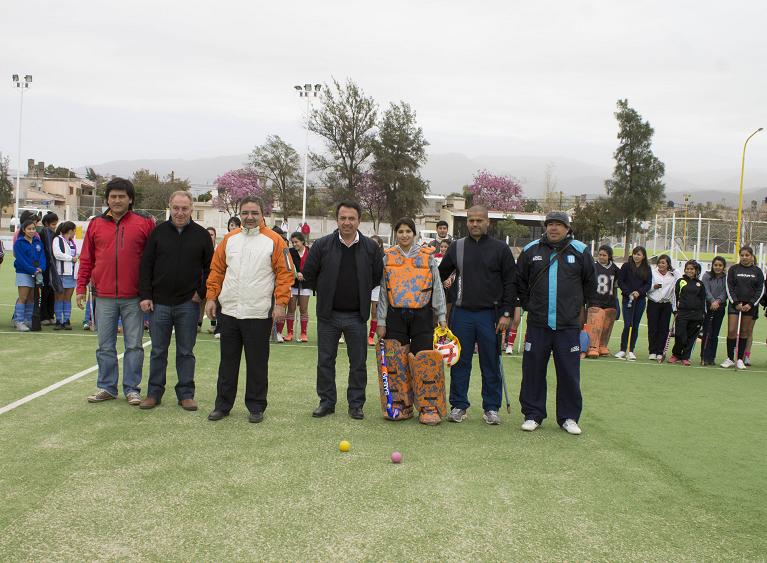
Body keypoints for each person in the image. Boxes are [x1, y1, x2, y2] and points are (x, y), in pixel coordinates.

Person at [204, 196, 294, 423]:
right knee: (228, 363)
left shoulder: (275, 240)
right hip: (229, 312)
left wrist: (281, 303)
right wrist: (211, 297)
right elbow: (217, 270)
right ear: (240, 214)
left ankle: (256, 406)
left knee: (257, 364)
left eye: (254, 213)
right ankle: (222, 406)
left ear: (263, 214)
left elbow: (285, 274)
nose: (249, 217)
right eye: (245, 213)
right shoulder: (229, 239)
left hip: (258, 313)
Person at [301, 201, 384, 420]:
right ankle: (326, 402)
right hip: (328, 316)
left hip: (357, 316)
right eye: (343, 218)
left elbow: (377, 276)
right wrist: (326, 290)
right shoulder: (322, 245)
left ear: (359, 220)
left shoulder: (370, 248)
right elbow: (309, 273)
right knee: (325, 362)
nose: (347, 222)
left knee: (358, 363)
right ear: (337, 220)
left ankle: (356, 405)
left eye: (351, 218)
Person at [516, 211, 596, 435]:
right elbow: (519, 281)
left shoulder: (580, 251)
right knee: (533, 371)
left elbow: (590, 283)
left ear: (567, 228)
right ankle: (533, 414)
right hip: (538, 324)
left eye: (558, 224)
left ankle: (569, 417)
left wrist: (581, 309)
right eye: (550, 224)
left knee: (569, 372)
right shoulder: (531, 250)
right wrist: (529, 305)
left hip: (568, 325)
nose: (553, 228)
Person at [77, 178, 155, 405]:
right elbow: (87, 258)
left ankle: (132, 389)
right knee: (105, 346)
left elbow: (152, 260)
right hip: (103, 296)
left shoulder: (144, 223)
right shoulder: (95, 224)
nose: (117, 200)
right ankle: (107, 387)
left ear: (130, 199)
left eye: (122, 196)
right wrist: (81, 287)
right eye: (113, 196)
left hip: (134, 297)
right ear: (107, 199)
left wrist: (149, 292)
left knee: (134, 346)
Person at [438, 205, 516, 425]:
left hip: (491, 315)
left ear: (488, 222)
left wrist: (506, 313)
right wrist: (446, 296)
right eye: (471, 220)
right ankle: (459, 405)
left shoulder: (501, 249)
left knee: (490, 362)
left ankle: (491, 408)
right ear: (467, 222)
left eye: (479, 220)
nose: (475, 224)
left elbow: (510, 283)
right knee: (460, 362)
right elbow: (440, 274)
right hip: (462, 313)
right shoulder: (457, 246)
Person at [138, 191, 214, 411]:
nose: (180, 213)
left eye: (185, 208)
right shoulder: (158, 232)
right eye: (176, 208)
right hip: (159, 303)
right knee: (158, 351)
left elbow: (210, 268)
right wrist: (146, 295)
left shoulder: (201, 235)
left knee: (186, 352)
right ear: (169, 207)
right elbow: (146, 266)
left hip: (188, 304)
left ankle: (186, 394)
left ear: (191, 209)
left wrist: (201, 292)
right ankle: (154, 393)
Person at [376, 218, 447, 425]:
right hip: (395, 315)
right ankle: (401, 404)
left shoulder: (427, 257)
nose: (404, 235)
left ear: (414, 234)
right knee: (396, 360)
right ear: (395, 234)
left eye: (408, 231)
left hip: (422, 314)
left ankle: (428, 406)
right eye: (400, 231)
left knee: (425, 360)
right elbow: (383, 292)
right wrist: (381, 320)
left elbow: (437, 287)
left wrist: (441, 315)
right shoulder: (387, 258)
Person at [722, 246, 764, 370]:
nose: (744, 257)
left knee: (745, 331)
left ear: (751, 256)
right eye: (742, 255)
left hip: (749, 306)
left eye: (747, 255)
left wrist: (750, 304)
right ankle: (730, 358)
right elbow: (729, 287)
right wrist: (735, 302)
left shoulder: (757, 271)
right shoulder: (733, 269)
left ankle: (740, 359)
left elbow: (760, 290)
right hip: (735, 304)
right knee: (731, 330)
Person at [615, 246, 652, 361]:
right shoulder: (626, 266)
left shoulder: (647, 268)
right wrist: (628, 293)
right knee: (627, 324)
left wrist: (639, 292)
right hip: (627, 299)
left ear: (643, 256)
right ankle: (622, 349)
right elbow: (621, 281)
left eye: (639, 254)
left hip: (640, 300)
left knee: (635, 325)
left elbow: (648, 284)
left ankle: (631, 350)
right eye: (635, 254)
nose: (636, 256)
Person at [584, 245, 620, 358]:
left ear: (609, 256)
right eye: (600, 255)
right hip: (595, 299)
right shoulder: (593, 266)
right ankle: (592, 346)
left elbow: (615, 286)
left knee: (607, 323)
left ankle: (602, 345)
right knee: (596, 320)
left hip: (609, 299)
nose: (601, 257)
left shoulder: (615, 269)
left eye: (604, 255)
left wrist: (615, 301)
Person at [668, 261, 706, 366]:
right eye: (687, 269)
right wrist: (675, 311)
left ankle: (685, 357)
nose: (689, 271)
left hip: (696, 314)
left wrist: (703, 313)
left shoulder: (700, 284)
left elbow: (703, 299)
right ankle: (676, 355)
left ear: (696, 271)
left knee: (691, 337)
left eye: (692, 269)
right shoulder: (680, 281)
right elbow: (675, 296)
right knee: (680, 336)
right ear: (684, 270)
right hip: (682, 313)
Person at [13, 219, 46, 332]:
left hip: (36, 273)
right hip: (23, 273)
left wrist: (41, 268)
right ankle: (19, 321)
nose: (32, 231)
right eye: (29, 229)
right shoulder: (19, 243)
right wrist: (32, 270)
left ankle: (28, 320)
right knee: (23, 298)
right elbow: (21, 260)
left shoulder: (38, 242)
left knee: (32, 298)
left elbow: (42, 257)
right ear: (23, 230)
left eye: (33, 228)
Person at [281, 232, 311, 342]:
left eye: (296, 242)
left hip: (305, 284)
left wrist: (304, 274)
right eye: (292, 242)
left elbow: (313, 266)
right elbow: (288, 266)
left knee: (303, 309)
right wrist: (295, 274)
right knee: (291, 309)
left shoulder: (310, 252)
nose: (294, 244)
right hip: (293, 284)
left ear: (302, 241)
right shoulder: (290, 252)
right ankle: (289, 333)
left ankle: (303, 334)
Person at [646, 254, 677, 360]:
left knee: (663, 329)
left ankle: (660, 351)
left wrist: (673, 270)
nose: (661, 265)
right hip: (653, 303)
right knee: (653, 328)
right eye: (659, 262)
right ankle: (652, 351)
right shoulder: (652, 273)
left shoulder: (672, 275)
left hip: (666, 304)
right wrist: (653, 287)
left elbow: (679, 280)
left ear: (668, 264)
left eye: (663, 263)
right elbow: (647, 287)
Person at [51, 221, 79, 330]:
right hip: (60, 274)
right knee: (59, 297)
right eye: (74, 231)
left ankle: (66, 320)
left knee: (68, 298)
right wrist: (71, 258)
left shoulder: (72, 242)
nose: (75, 233)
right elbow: (57, 254)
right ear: (70, 230)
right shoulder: (57, 239)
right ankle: (59, 320)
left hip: (71, 274)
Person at [700, 256, 727, 365]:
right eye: (715, 265)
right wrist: (712, 301)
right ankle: (704, 356)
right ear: (712, 265)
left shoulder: (726, 278)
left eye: (720, 265)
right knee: (707, 332)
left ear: (724, 267)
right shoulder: (706, 276)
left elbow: (725, 292)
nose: (717, 267)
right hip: (708, 307)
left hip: (720, 307)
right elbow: (705, 290)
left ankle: (712, 357)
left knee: (715, 334)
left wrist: (718, 301)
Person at [38, 212, 59, 325]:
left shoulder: (52, 233)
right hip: (46, 266)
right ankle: (44, 316)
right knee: (46, 291)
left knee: (52, 291)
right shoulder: (44, 232)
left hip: (52, 267)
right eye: (53, 224)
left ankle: (50, 315)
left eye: (56, 224)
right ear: (46, 224)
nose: (54, 227)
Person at [368, 235, 385, 346]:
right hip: (364, 287)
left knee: (374, 314)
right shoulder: (363, 254)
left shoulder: (383, 257)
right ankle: (343, 336)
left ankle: (370, 337)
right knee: (359, 313)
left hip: (377, 288)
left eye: (375, 243)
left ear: (380, 244)